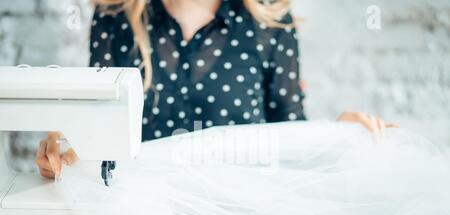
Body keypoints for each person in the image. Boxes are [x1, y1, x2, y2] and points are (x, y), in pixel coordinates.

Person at [36, 0, 394, 178]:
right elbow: (98, 129)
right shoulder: (113, 15)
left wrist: (336, 133)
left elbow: (290, 135)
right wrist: (64, 147)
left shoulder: (269, 20)